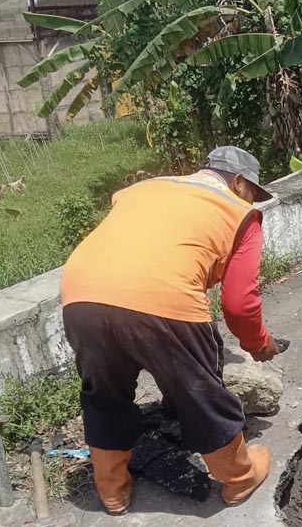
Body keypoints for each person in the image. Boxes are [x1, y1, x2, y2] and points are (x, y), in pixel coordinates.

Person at [60, 146, 280, 514]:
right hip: (163, 296)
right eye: (253, 191)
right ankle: (239, 478)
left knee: (104, 394)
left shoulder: (146, 189)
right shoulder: (241, 214)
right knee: (202, 391)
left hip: (80, 294)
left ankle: (112, 492)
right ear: (239, 181)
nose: (252, 199)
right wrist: (260, 344)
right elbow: (239, 304)